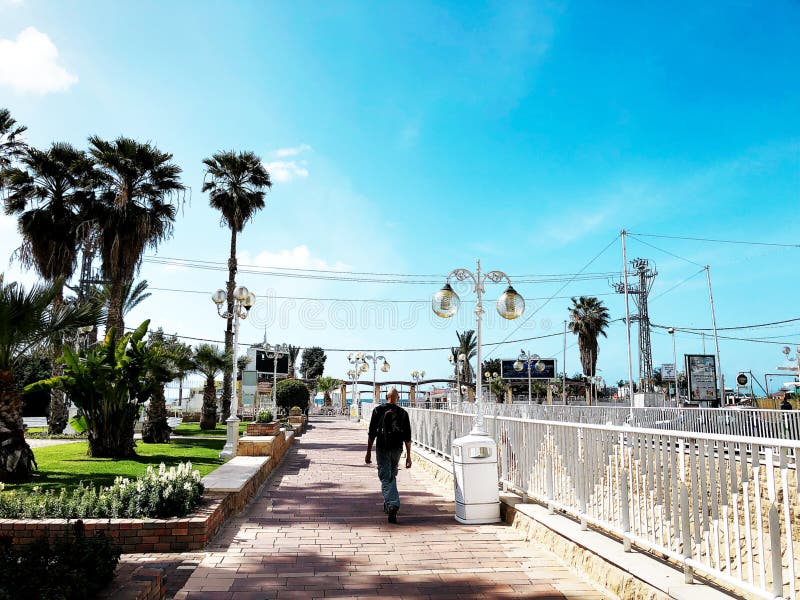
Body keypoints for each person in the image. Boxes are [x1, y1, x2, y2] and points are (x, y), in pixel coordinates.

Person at [365, 387, 411, 523]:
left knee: (385, 475)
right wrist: (409, 456)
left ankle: (392, 504)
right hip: (397, 449)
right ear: (397, 398)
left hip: (382, 448)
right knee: (391, 474)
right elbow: (407, 436)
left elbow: (372, 433)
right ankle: (388, 504)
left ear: (386, 398)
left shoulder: (378, 410)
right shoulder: (403, 413)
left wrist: (368, 452)